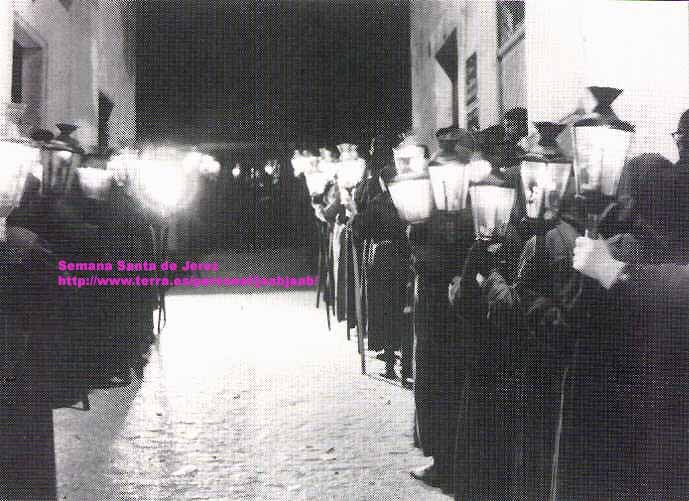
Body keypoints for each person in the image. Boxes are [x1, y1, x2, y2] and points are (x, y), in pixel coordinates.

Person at [408, 127, 476, 493]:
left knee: (436, 378)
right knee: (454, 377)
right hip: (459, 295)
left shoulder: (423, 197)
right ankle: (455, 457)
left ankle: (444, 462)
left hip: (439, 299)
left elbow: (418, 249)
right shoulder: (476, 189)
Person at [351, 131, 410, 379]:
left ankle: (388, 362)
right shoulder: (407, 200)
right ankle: (404, 360)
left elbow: (360, 231)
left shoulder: (376, 202)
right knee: (400, 307)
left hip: (383, 258)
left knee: (385, 307)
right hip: (404, 258)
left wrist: (354, 220)